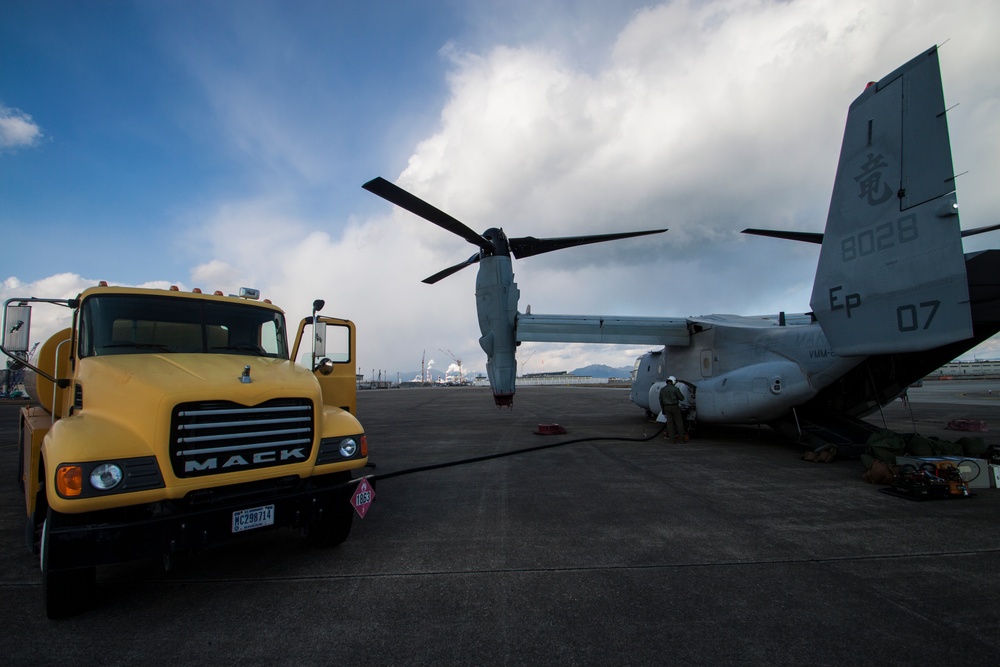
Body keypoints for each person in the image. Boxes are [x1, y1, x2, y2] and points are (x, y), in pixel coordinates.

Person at [658, 376, 687, 443]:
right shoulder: (675, 389)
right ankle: (681, 439)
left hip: (666, 407)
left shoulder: (662, 390)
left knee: (670, 424)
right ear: (673, 382)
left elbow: (660, 400)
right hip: (675, 407)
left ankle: (672, 440)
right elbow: (682, 398)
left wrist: (663, 410)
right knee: (679, 423)